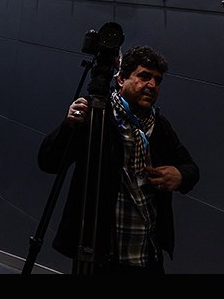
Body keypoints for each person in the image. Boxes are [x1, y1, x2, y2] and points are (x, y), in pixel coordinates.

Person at [37, 45, 200, 274]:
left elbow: (191, 167)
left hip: (147, 256)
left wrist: (181, 175)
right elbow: (48, 162)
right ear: (121, 79)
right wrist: (69, 126)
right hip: (100, 257)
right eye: (144, 76)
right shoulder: (95, 116)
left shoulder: (160, 127)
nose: (152, 85)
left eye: (157, 80)